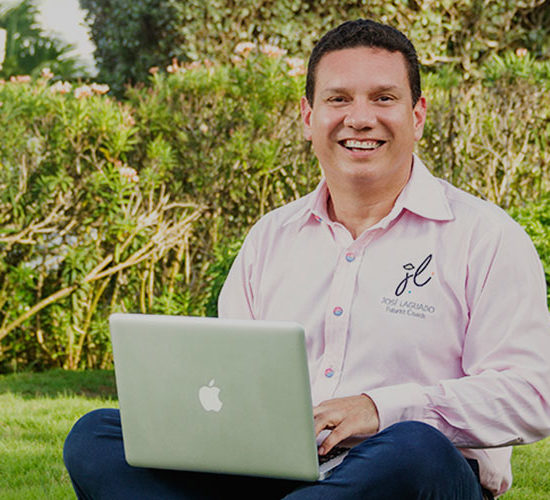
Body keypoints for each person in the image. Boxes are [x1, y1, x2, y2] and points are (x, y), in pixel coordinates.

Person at [63, 19, 550, 499]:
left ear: (417, 115)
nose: (360, 118)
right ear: (307, 116)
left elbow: (533, 396)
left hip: (403, 476)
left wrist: (381, 408)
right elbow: (230, 385)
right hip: (272, 475)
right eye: (338, 99)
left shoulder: (485, 237)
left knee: (415, 448)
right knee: (96, 437)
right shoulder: (271, 238)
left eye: (384, 98)